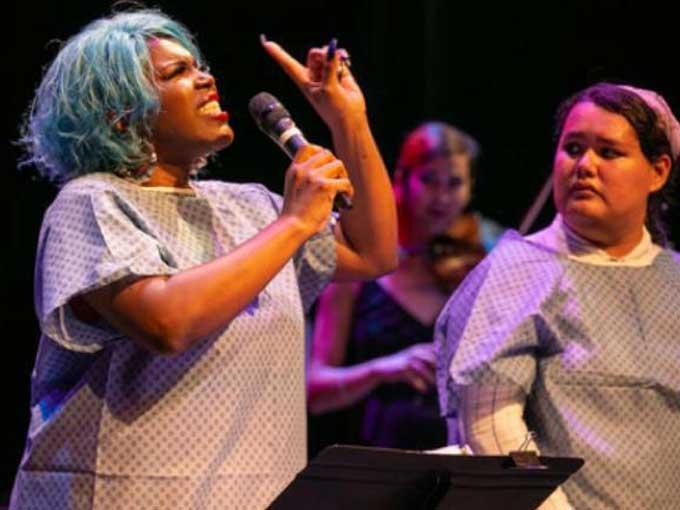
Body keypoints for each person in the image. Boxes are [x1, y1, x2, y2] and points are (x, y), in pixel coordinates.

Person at [11, 8, 397, 510]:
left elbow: (373, 253)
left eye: (200, 66)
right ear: (119, 113)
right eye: (177, 72)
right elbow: (167, 323)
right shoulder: (92, 202)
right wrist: (294, 222)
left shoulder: (249, 206)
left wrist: (348, 120)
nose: (206, 79)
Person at [436, 82, 679, 509]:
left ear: (657, 171)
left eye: (608, 152)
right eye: (573, 149)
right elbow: (490, 427)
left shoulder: (673, 277)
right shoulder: (517, 270)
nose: (584, 165)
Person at [307, 122, 503, 453]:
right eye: (429, 180)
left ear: (470, 188)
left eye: (454, 183)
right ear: (402, 178)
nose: (441, 197)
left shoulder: (480, 259)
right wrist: (382, 370)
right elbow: (315, 391)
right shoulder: (359, 265)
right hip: (374, 458)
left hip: (461, 453)